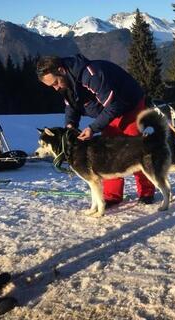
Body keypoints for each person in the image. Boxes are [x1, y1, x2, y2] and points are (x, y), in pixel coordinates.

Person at [36, 55, 155, 208]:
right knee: (109, 152)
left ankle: (146, 192)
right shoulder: (66, 83)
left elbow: (113, 106)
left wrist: (93, 128)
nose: (56, 87)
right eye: (51, 86)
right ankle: (112, 195)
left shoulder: (92, 74)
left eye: (55, 82)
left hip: (128, 104)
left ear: (61, 70)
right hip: (107, 111)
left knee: (135, 149)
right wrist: (70, 126)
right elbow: (71, 106)